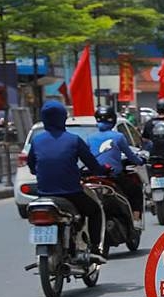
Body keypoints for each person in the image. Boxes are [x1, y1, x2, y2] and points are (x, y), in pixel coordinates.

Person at [27, 101, 107, 259]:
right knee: (95, 211)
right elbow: (92, 164)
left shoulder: (36, 141)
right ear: (63, 118)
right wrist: (103, 170)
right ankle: (95, 249)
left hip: (44, 194)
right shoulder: (74, 140)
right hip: (71, 192)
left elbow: (31, 165)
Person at [89, 106, 145, 218]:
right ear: (113, 120)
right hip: (113, 177)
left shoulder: (90, 138)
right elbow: (131, 156)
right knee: (136, 190)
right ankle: (136, 220)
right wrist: (140, 161)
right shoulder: (118, 137)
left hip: (93, 177)